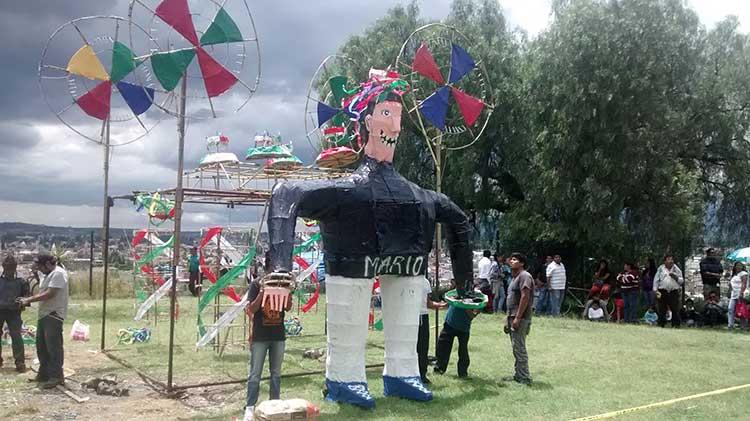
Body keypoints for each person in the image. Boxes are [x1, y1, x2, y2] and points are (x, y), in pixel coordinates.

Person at [266, 70, 472, 407]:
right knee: (350, 309)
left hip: (404, 256)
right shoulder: (348, 192)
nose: (394, 126)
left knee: (406, 308)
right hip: (353, 259)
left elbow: (459, 219)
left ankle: (403, 373)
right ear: (365, 122)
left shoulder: (419, 198)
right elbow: (285, 193)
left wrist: (465, 286)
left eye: (398, 116)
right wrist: (279, 272)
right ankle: (344, 378)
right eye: (386, 114)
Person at [244, 277, 293, 420]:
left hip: (278, 336)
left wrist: (288, 292)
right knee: (255, 373)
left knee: (276, 373)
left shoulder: (282, 282)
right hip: (260, 336)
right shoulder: (256, 284)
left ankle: (275, 406)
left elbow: (288, 307)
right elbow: (251, 309)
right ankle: (250, 407)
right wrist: (262, 292)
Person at [17, 254, 69, 388]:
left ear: (47, 264)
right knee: (41, 346)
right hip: (44, 314)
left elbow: (50, 293)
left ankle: (56, 376)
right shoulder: (47, 274)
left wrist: (28, 300)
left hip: (54, 314)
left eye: (40, 266)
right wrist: (36, 272)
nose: (39, 268)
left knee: (53, 347)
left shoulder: (58, 274)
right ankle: (44, 373)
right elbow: (42, 284)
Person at [503, 252, 534, 385]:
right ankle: (518, 374)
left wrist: (518, 317)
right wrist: (507, 319)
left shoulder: (525, 276)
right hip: (512, 317)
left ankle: (524, 377)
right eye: (511, 259)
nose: (511, 261)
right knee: (516, 347)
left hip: (520, 318)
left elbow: (525, 297)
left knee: (519, 347)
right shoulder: (514, 278)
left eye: (515, 259)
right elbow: (511, 300)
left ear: (522, 263)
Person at [0, 255, 30, 372]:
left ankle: (20, 362)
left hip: (14, 313)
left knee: (16, 336)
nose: (8, 271)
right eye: (7, 268)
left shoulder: (21, 281)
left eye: (11, 268)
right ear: (3, 267)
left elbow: (27, 298)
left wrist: (22, 302)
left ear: (15, 268)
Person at [434, 302, 479, 378]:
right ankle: (439, 369)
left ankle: (463, 373)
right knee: (442, 346)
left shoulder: (476, 295)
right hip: (450, 322)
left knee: (463, 350)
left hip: (464, 326)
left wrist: (468, 308)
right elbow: (450, 296)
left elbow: (474, 313)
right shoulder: (456, 291)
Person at [417, 278, 447, 384]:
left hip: (422, 316)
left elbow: (428, 303)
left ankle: (421, 374)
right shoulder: (406, 280)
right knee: (417, 347)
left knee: (422, 347)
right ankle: (417, 374)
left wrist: (440, 305)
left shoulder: (425, 282)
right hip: (411, 315)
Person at [653, 254, 683, 328]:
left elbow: (681, 281)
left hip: (673, 291)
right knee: (662, 308)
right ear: (665, 261)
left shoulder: (676, 269)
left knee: (675, 309)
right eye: (669, 259)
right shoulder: (661, 269)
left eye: (672, 259)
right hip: (662, 291)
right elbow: (656, 280)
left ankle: (675, 324)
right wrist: (655, 289)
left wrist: (675, 277)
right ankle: (661, 324)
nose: (671, 261)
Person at [728, 262, 748, 329]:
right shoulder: (734, 274)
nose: (738, 267)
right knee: (730, 309)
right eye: (737, 265)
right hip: (733, 294)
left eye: (740, 266)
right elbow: (731, 284)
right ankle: (730, 325)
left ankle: (743, 325)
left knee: (741, 309)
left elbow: (744, 284)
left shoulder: (743, 274)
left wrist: (741, 293)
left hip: (740, 294)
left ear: (742, 267)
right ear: (735, 266)